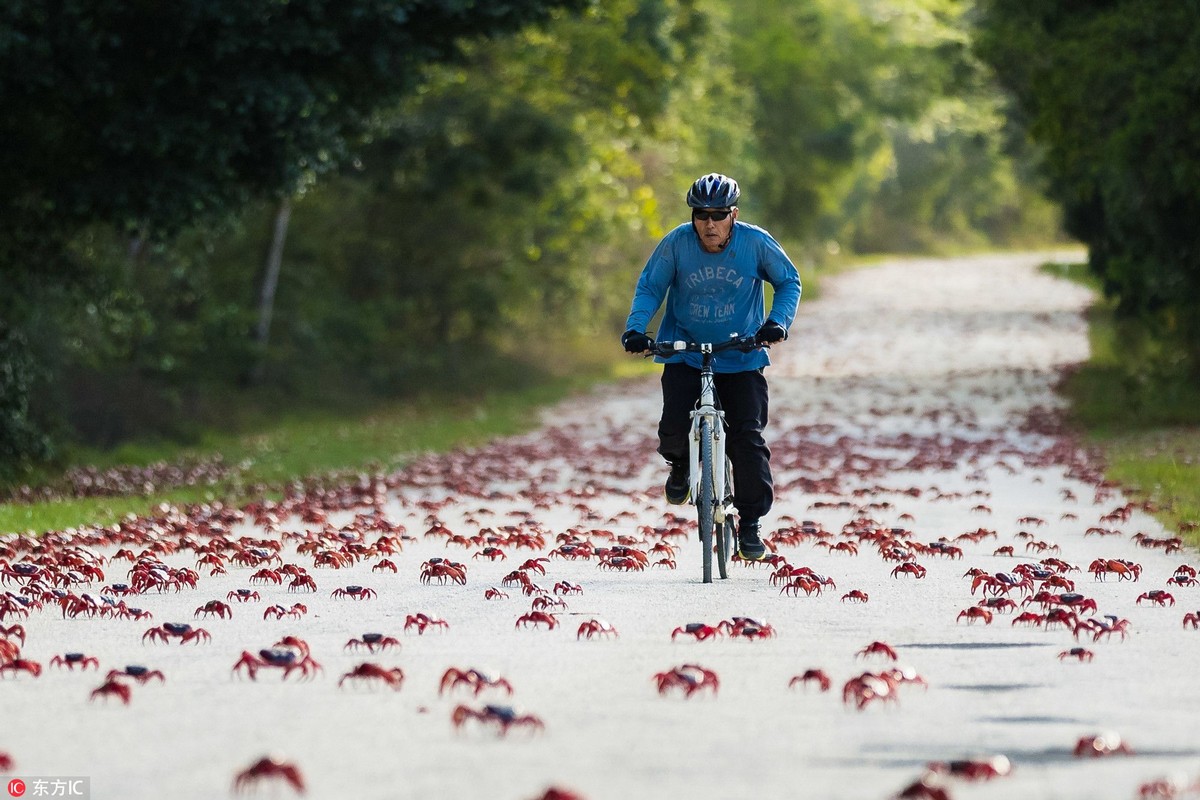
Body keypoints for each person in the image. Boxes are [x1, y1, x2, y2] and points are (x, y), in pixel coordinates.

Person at [621, 172, 801, 561]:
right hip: (684, 350)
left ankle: (750, 524)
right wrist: (636, 328)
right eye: (700, 215)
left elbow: (789, 281)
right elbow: (651, 286)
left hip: (741, 353)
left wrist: (776, 323)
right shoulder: (676, 244)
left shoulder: (756, 243)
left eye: (718, 215)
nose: (709, 224)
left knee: (747, 438)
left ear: (733, 215)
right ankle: (681, 466)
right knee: (672, 428)